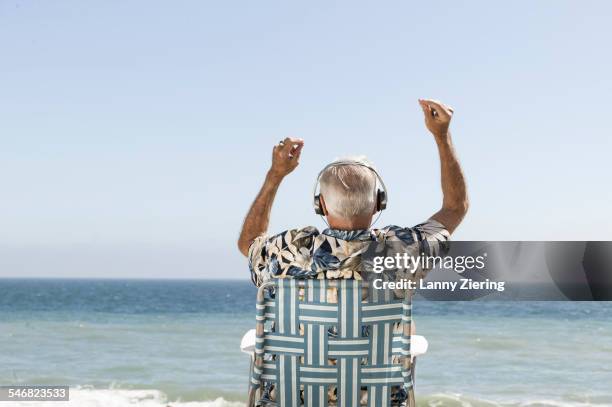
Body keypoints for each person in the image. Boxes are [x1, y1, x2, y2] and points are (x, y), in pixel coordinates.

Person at [237, 99, 468, 405]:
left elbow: (249, 241)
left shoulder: (291, 249)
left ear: (320, 205)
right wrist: (442, 136)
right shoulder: (403, 249)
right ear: (378, 204)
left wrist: (275, 174)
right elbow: (455, 208)